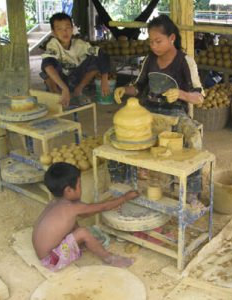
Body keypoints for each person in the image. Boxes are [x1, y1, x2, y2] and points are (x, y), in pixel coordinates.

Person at [113, 14, 204, 205]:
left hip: (175, 115)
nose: (153, 46)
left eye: (158, 41)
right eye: (151, 41)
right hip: (149, 112)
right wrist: (125, 89)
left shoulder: (185, 61)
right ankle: (121, 182)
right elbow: (138, 87)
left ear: (172, 38)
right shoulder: (149, 60)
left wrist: (181, 94)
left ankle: (193, 191)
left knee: (194, 137)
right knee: (116, 136)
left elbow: (199, 97)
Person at [32, 162, 139, 272]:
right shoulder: (71, 207)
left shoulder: (54, 202)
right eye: (79, 185)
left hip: (42, 252)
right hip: (52, 260)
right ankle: (109, 258)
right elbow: (103, 207)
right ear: (68, 190)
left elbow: (84, 213)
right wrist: (125, 198)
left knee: (74, 225)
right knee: (83, 232)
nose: (81, 188)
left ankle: (82, 243)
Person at [40, 12, 110, 107]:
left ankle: (78, 91)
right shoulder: (53, 44)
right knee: (47, 67)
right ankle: (57, 94)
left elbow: (101, 54)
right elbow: (47, 64)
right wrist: (64, 88)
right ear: (54, 32)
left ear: (72, 29)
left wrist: (104, 79)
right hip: (59, 81)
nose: (65, 32)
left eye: (67, 28)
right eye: (59, 29)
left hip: (74, 79)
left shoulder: (79, 44)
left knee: (95, 58)